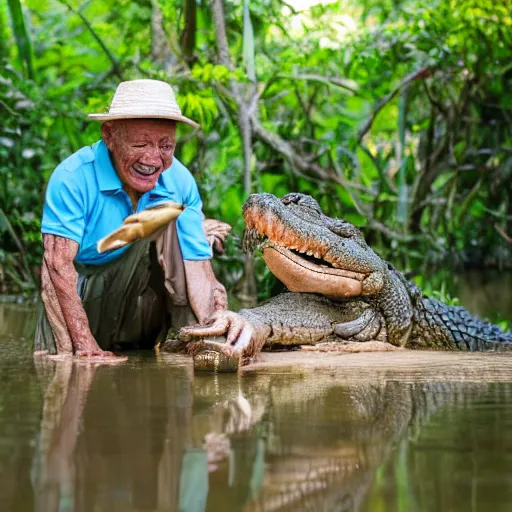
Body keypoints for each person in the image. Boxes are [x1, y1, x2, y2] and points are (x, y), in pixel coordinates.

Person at [34, 79, 233, 360]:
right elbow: (57, 265)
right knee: (64, 373)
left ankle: (193, 338)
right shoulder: (72, 177)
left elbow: (198, 268)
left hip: (137, 303)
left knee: (172, 216)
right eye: (140, 144)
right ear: (109, 135)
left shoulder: (179, 181)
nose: (153, 159)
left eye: (166, 146)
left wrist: (218, 334)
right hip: (77, 299)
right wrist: (85, 347)